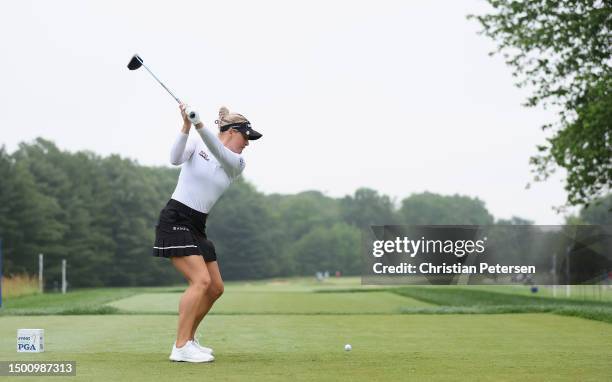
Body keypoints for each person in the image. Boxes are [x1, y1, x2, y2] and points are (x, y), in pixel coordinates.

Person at [152, 104, 262, 363]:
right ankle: (180, 347)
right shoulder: (197, 144)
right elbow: (174, 158)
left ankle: (189, 340)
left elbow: (218, 150)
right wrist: (187, 126)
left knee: (215, 288)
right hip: (176, 217)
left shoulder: (237, 162)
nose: (248, 144)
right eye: (247, 137)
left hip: (197, 224)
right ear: (233, 132)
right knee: (201, 281)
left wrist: (200, 125)